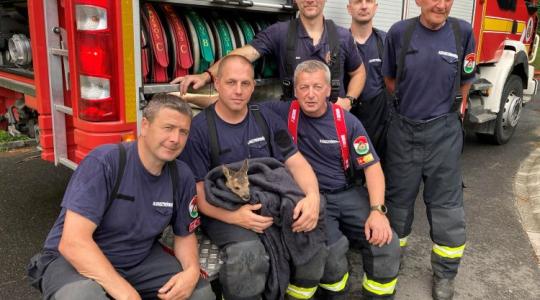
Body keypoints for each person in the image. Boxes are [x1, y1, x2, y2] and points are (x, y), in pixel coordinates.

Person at [26, 94, 215, 300]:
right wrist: (127, 295)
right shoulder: (106, 162)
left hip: (138, 260)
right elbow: (73, 243)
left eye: (183, 132)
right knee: (82, 296)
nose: (175, 139)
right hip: (74, 260)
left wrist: (191, 271)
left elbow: (185, 235)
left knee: (199, 293)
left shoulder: (182, 175)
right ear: (145, 125)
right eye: (168, 128)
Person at [178, 55, 324, 300]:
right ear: (218, 84)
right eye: (231, 82)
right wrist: (235, 217)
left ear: (253, 87)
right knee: (248, 253)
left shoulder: (266, 119)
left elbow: (297, 163)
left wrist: (312, 197)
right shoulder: (200, 130)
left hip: (268, 204)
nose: (238, 90)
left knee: (311, 223)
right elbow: (198, 194)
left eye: (245, 84)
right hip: (222, 210)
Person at [264, 60, 400, 299]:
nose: (311, 94)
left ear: (329, 89)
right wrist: (193, 94)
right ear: (295, 91)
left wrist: (378, 211)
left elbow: (373, 168)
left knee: (386, 242)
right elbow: (235, 103)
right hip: (309, 198)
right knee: (332, 251)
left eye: (317, 87)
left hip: (346, 193)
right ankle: (335, 293)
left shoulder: (347, 122)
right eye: (304, 87)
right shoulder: (282, 112)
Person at [382, 1, 476, 299]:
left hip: (444, 134)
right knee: (397, 206)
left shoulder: (463, 33)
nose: (440, 4)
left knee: (447, 210)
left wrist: (450, 111)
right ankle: (389, 265)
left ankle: (445, 275)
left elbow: (466, 81)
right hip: (403, 132)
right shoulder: (399, 33)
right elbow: (390, 79)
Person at [172, 0, 366, 110]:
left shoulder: (342, 36)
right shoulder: (279, 32)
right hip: (293, 122)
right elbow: (242, 55)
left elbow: (358, 73)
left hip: (333, 120)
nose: (310, 0)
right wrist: (205, 75)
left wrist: (348, 101)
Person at [347, 0, 391, 158]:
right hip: (349, 117)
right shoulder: (339, 42)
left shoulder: (387, 42)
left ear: (376, 7)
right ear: (349, 9)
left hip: (380, 121)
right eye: (358, 2)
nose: (364, 6)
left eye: (369, 1)